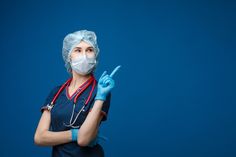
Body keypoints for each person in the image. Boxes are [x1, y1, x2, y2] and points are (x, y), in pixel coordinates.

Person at [34, 30, 121, 157]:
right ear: (69, 56)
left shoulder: (101, 91)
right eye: (78, 50)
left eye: (90, 50)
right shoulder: (56, 92)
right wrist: (74, 134)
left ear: (95, 56)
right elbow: (40, 137)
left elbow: (83, 140)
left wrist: (100, 97)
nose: (84, 55)